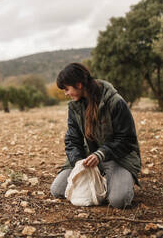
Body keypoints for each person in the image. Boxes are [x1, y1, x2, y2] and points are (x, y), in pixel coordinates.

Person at [50, 62, 141, 209]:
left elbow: (126, 139)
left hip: (118, 158)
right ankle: (102, 182)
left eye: (67, 89)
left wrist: (100, 154)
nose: (66, 94)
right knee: (57, 190)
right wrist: (79, 163)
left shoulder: (115, 102)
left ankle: (115, 182)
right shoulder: (74, 107)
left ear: (79, 85)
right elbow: (72, 139)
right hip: (87, 158)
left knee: (119, 200)